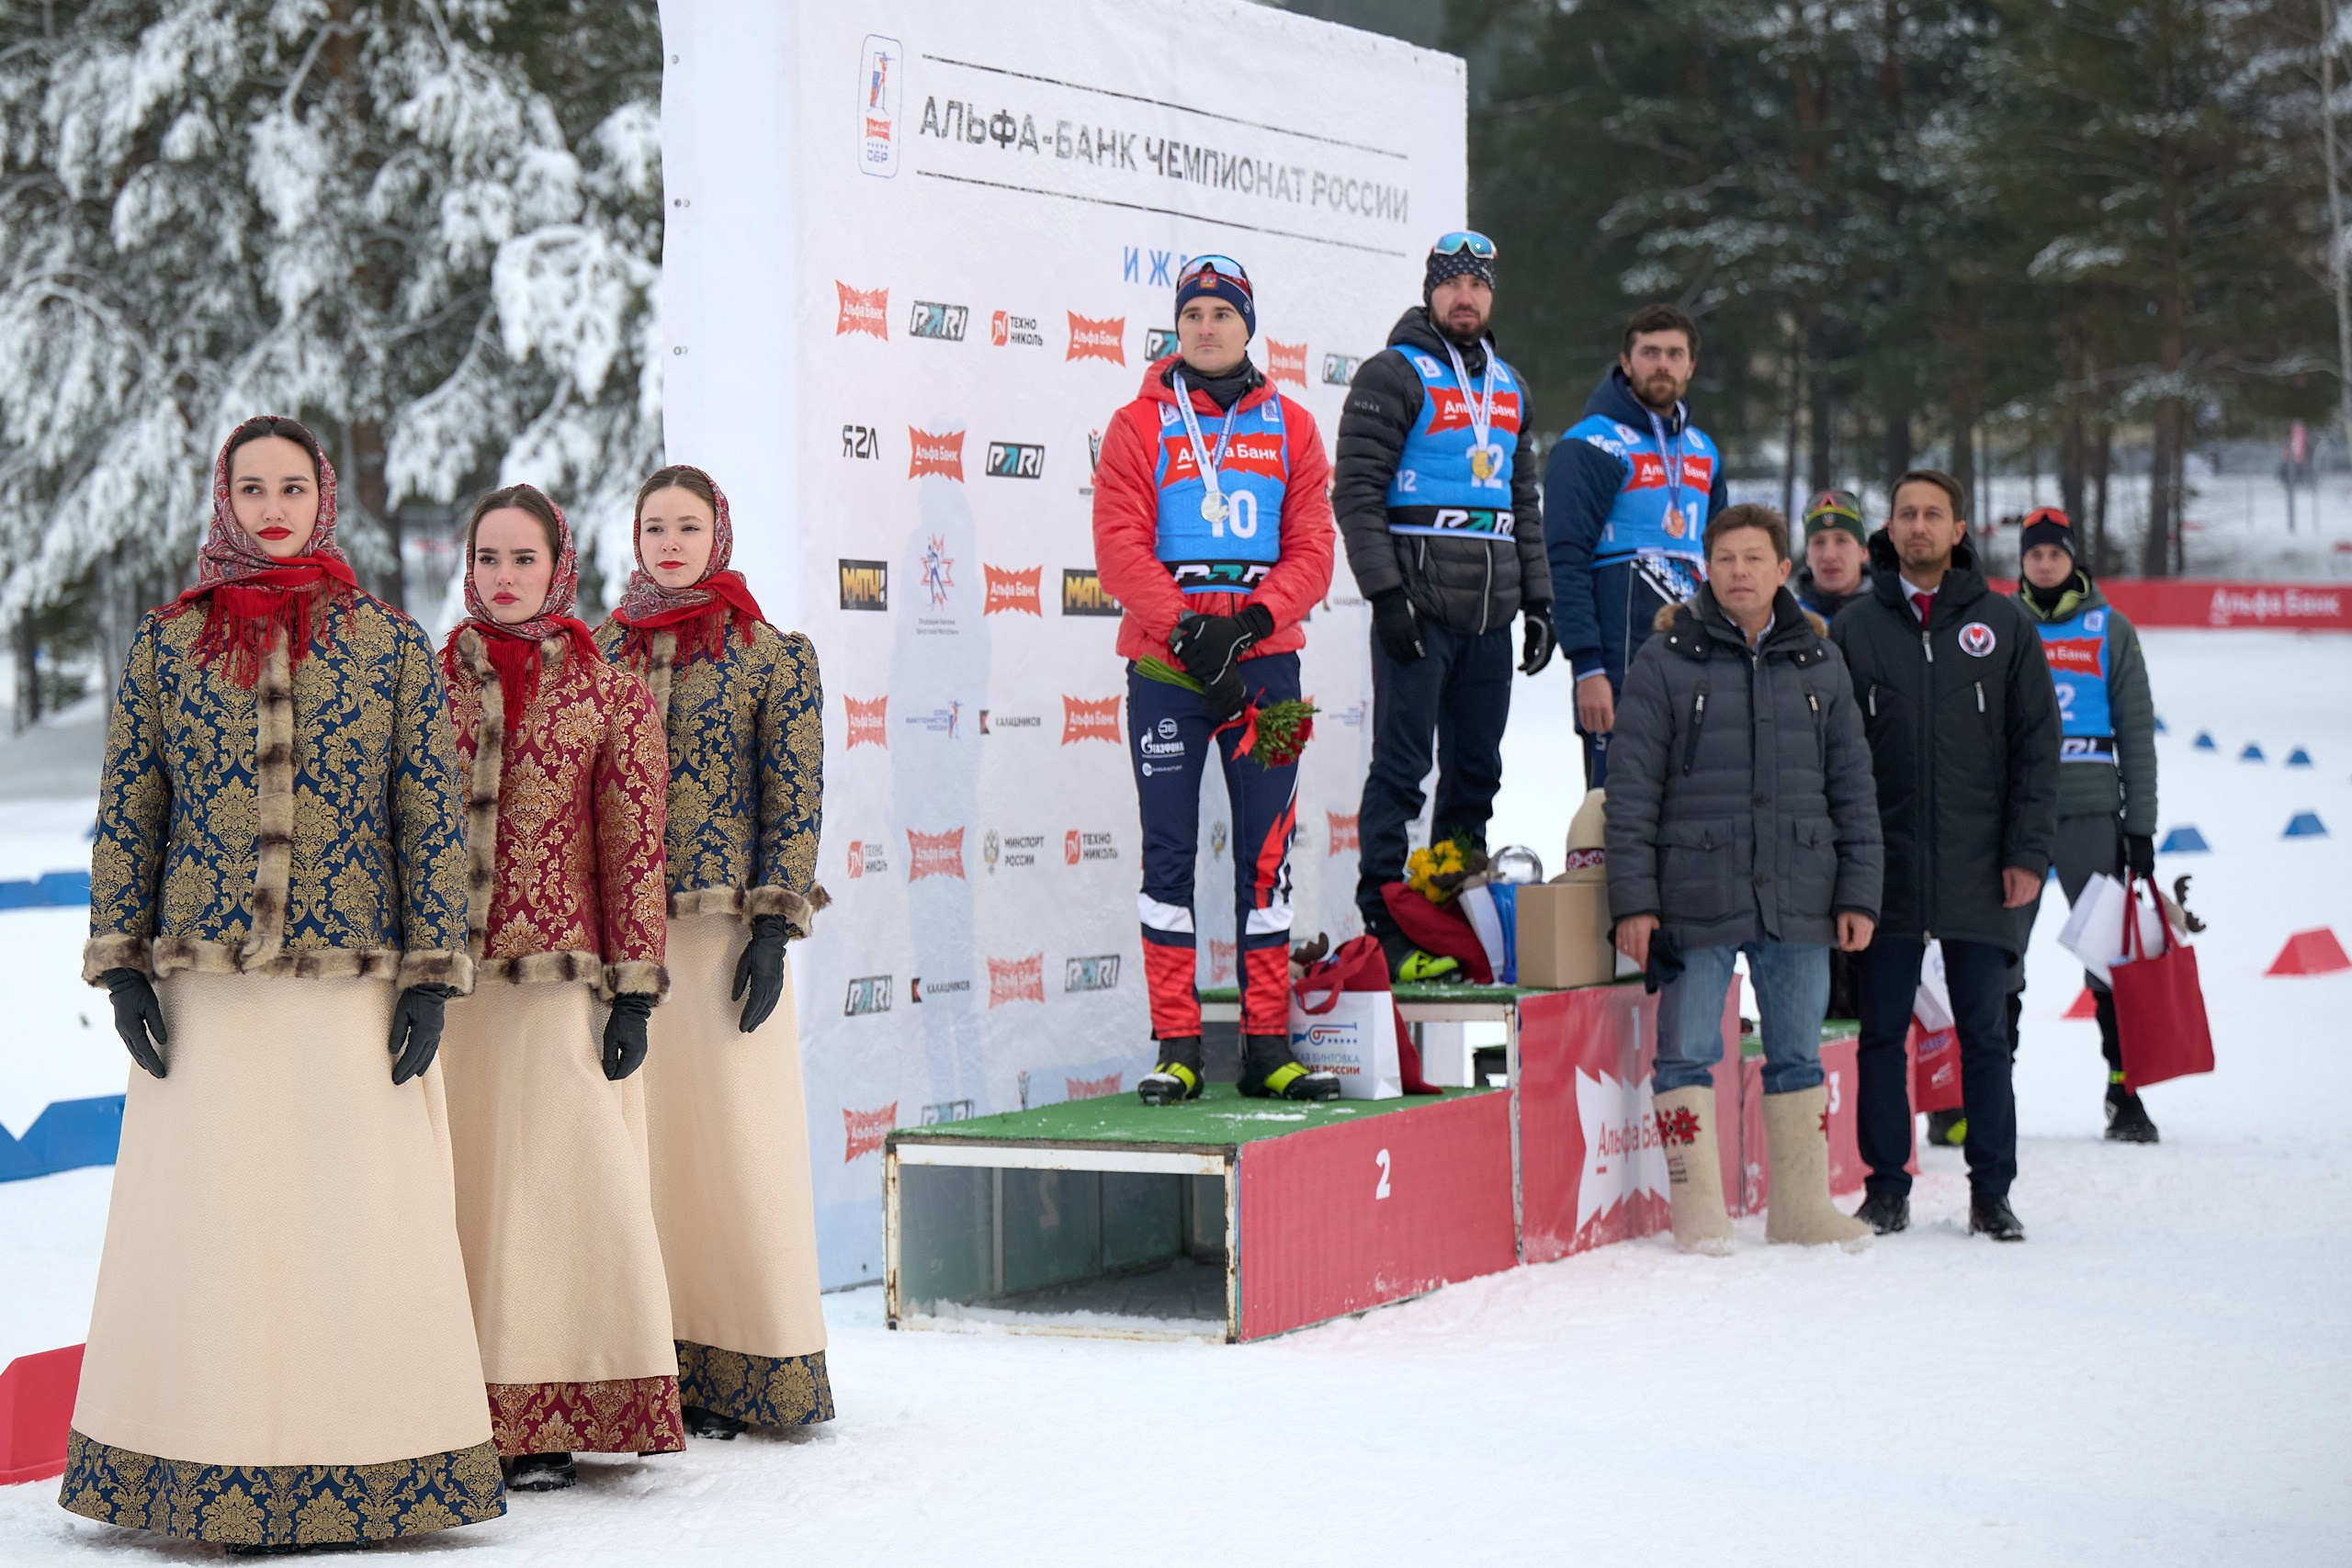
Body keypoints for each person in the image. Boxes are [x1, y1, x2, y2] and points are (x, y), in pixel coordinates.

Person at [64, 416, 502, 1548]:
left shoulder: (391, 645)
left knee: (354, 1227)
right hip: (207, 995)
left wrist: (429, 975)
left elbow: (427, 814)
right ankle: (199, 1461)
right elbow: (131, 814)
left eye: (292, 487)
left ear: (324, 499)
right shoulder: (168, 647)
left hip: (351, 993)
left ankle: (376, 1460)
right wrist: (123, 965)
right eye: (250, 486)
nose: (272, 506)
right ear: (223, 498)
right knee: (216, 1230)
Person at [437, 485, 681, 1490]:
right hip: (443, 987)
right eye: (488, 558)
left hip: (553, 979)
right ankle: (450, 1402)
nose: (503, 578)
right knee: (457, 1194)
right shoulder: (424, 681)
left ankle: (543, 1413)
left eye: (522, 559)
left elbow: (635, 847)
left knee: (546, 1198)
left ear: (558, 565)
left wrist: (633, 989)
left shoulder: (608, 689)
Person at [597, 465, 836, 1439]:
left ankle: (751, 1362)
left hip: (721, 942)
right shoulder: (596, 653)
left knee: (733, 1149)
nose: (668, 542)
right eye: (654, 525)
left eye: (686, 526)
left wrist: (774, 928)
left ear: (718, 535)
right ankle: (646, 1362)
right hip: (623, 949)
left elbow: (795, 795)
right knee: (637, 1154)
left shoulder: (771, 655)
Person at [1090, 254, 1340, 1104]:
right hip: (1168, 667)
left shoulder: (1295, 425)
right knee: (1169, 855)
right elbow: (1119, 547)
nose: (1205, 327)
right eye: (1191, 313)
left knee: (1267, 860)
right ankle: (1179, 1044)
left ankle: (1268, 1045)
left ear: (1247, 325)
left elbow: (1313, 548)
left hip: (1268, 666)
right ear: (1176, 326)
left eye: (1221, 314)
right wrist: (1191, 628)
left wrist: (1253, 623)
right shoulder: (1137, 424)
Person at [1605, 503, 1882, 1253]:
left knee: (1797, 1050)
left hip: (1801, 891)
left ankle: (1800, 1208)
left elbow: (1854, 784)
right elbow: (1629, 792)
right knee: (1686, 1051)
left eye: (1755, 558)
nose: (1740, 572)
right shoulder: (1664, 660)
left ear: (1782, 570)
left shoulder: (1819, 661)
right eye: (1726, 558)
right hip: (1696, 894)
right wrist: (1634, 900)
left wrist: (1859, 891)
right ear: (1707, 567)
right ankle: (1698, 1216)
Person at [1830, 470, 2059, 1242]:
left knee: (1986, 1034)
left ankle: (1991, 1189)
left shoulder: (2004, 624)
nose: (1918, 526)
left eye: (1933, 514)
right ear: (1889, 530)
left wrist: (2027, 851)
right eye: (1906, 514)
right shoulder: (1855, 628)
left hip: (1979, 866)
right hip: (1884, 866)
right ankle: (1887, 1185)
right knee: (1881, 1035)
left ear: (1960, 528)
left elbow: (2037, 749)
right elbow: (1831, 754)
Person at [1333, 231, 1555, 980]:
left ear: (1492, 295)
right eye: (1452, 282)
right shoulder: (1393, 372)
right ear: (1431, 290)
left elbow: (1521, 501)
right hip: (1421, 605)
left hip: (1491, 611)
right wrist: (1386, 595)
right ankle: (1384, 915)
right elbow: (1356, 493)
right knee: (1400, 768)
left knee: (1475, 773)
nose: (1466, 295)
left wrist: (1540, 599)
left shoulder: (1511, 383)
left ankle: (1453, 909)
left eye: (1479, 284)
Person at [2011, 506, 2160, 1141]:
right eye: (2034, 554)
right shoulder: (2000, 622)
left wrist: (2141, 828)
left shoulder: (2109, 627)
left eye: (2054, 553)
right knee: (1996, 957)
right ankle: (1975, 1096)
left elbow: (2137, 732)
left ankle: (2123, 1092)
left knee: (2107, 959)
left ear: (2073, 558)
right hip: (2014, 813)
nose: (2044, 564)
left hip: (2090, 809)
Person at [1544, 302, 1729, 786]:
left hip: (1697, 655)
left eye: (1674, 353)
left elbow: (1726, 564)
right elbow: (1564, 562)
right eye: (1649, 353)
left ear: (1691, 366)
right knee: (1618, 806)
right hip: (1617, 664)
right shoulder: (1589, 445)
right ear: (1626, 362)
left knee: (1697, 799)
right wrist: (1587, 667)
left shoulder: (1704, 451)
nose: (1662, 365)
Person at [1792, 488, 1874, 619]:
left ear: (1864, 553)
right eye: (1819, 542)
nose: (1829, 556)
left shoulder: (1891, 616)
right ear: (1807, 556)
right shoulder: (1788, 621)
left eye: (1841, 541)